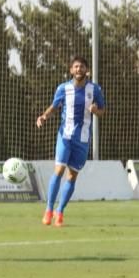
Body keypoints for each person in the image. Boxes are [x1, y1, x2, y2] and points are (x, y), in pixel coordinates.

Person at [35, 55, 105, 227]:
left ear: (86, 70)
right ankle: (49, 210)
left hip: (82, 139)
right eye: (75, 66)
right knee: (58, 171)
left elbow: (102, 111)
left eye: (81, 66)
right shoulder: (63, 88)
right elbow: (54, 107)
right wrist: (44, 116)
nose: (78, 69)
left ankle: (60, 212)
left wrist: (96, 110)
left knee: (72, 176)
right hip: (65, 136)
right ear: (71, 70)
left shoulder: (94, 89)